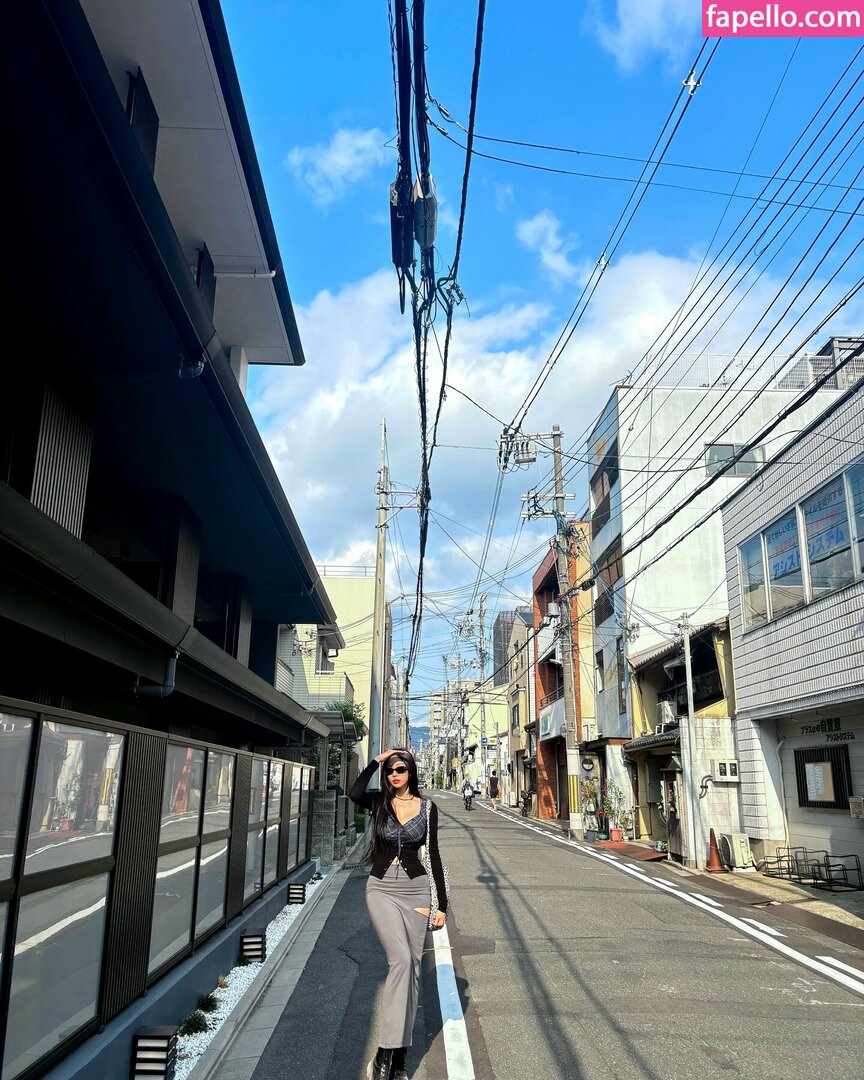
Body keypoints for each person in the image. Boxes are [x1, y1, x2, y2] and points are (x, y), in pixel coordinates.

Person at [350, 748, 448, 1080]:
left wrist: (442, 905)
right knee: (402, 961)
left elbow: (433, 854)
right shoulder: (379, 802)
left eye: (400, 769)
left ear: (411, 773)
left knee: (414, 971)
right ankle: (383, 1056)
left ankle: (399, 1059)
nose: (394, 775)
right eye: (390, 770)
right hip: (381, 888)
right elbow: (354, 792)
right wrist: (376, 761)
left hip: (416, 890)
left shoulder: (427, 808)